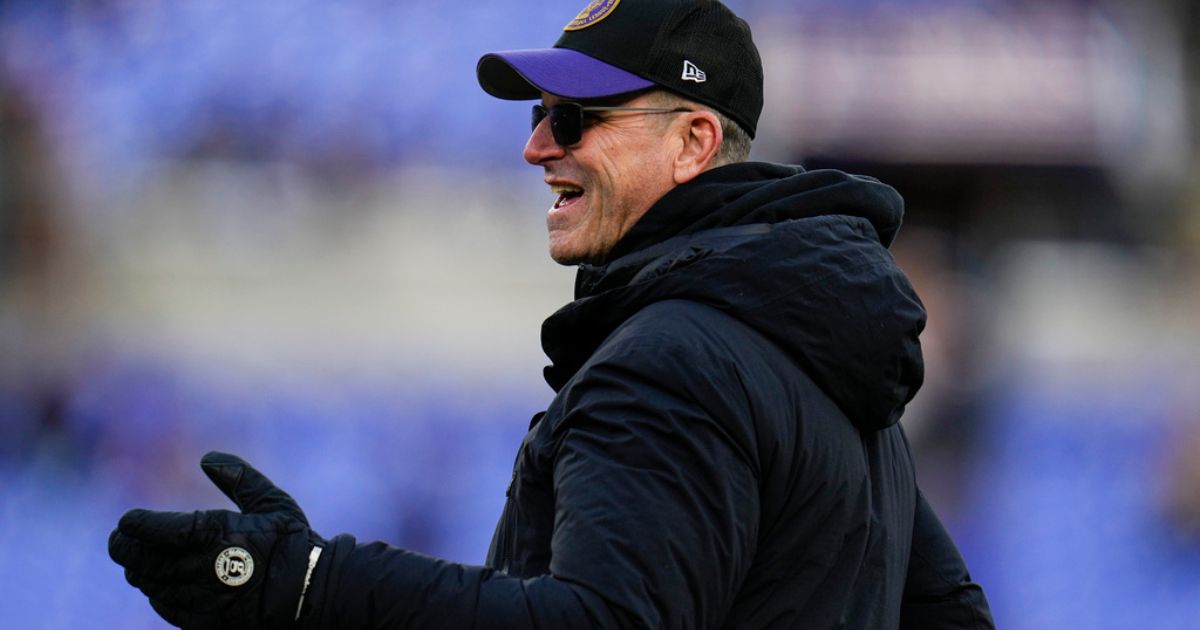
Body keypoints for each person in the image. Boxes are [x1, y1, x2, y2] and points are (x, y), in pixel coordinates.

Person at [108, 1, 995, 628]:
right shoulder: (827, 360)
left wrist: (311, 587)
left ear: (693, 142)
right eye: (539, 115)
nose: (536, 146)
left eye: (575, 119)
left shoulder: (672, 359)